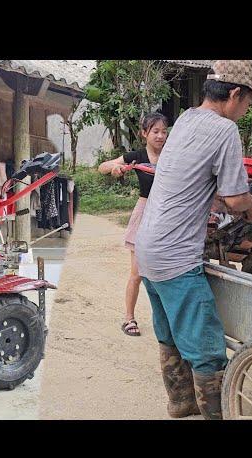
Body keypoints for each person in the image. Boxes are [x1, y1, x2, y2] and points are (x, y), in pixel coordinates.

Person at [134, 61, 252, 419]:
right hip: (176, 256)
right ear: (236, 94)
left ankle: (180, 403)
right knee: (207, 346)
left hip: (147, 249)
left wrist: (227, 200)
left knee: (170, 332)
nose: (247, 111)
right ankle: (215, 414)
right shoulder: (224, 130)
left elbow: (194, 185)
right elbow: (238, 199)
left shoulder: (186, 121)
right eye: (249, 104)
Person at [98, 113, 169, 336]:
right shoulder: (137, 156)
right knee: (137, 273)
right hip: (145, 212)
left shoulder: (172, 155)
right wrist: (116, 168)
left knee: (167, 272)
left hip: (167, 215)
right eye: (155, 131)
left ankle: (168, 320)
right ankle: (129, 318)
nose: (160, 136)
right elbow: (103, 166)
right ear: (144, 133)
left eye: (163, 131)